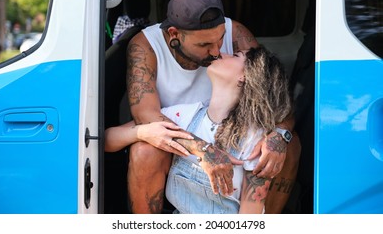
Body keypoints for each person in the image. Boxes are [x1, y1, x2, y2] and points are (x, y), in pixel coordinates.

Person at [124, 0, 300, 213]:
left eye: (220, 39)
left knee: (290, 144)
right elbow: (146, 118)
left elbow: (273, 95)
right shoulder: (145, 46)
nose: (217, 51)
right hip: (178, 138)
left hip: (236, 136)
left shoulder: (236, 33)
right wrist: (204, 150)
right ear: (174, 35)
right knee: (144, 151)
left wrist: (279, 136)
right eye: (204, 45)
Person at [106, 46, 292, 213]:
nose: (222, 52)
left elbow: (249, 218)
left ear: (245, 77)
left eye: (235, 55)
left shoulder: (255, 140)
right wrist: (143, 133)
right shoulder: (184, 116)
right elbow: (107, 139)